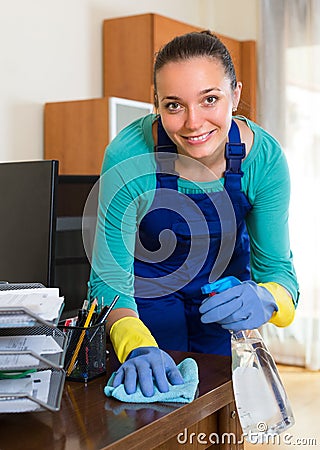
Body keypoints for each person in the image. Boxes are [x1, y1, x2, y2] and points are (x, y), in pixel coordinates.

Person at [88, 31, 299, 397]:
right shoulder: (128, 158)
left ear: (235, 94)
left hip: (221, 304)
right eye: (174, 105)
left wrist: (266, 299)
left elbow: (281, 276)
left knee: (219, 413)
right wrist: (135, 345)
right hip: (144, 304)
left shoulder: (263, 162)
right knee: (153, 413)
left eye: (210, 100)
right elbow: (108, 281)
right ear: (156, 105)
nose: (193, 122)